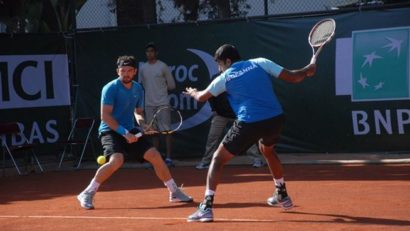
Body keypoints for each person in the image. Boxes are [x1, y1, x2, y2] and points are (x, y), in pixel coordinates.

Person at [183, 44, 316, 222]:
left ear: (228, 61)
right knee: (267, 150)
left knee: (217, 159)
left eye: (220, 64)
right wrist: (308, 70)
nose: (219, 68)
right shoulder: (260, 62)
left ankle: (206, 207)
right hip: (275, 119)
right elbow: (294, 77)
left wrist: (192, 92)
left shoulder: (225, 76)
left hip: (250, 121)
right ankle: (282, 194)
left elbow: (201, 97)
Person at [77, 55, 192, 210]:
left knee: (155, 156)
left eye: (130, 70)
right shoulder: (110, 88)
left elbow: (138, 112)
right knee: (116, 160)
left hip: (129, 129)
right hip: (110, 130)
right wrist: (124, 133)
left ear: (135, 71)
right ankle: (88, 192)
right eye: (123, 70)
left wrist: (142, 124)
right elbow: (105, 116)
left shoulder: (138, 88)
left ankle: (174, 191)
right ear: (117, 71)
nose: (126, 73)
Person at [195, 90, 265, 170]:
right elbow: (210, 97)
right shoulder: (216, 84)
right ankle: (205, 162)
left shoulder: (237, 83)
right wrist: (214, 109)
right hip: (221, 115)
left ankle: (257, 160)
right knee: (212, 137)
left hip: (238, 115)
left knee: (247, 136)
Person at [138, 42, 176, 167]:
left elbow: (172, 85)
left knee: (166, 131)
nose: (150, 53)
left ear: (156, 53)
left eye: (152, 51)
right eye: (147, 51)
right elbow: (140, 85)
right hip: (149, 104)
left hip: (162, 103)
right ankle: (156, 158)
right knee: (153, 132)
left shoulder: (162, 66)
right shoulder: (142, 68)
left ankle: (169, 158)